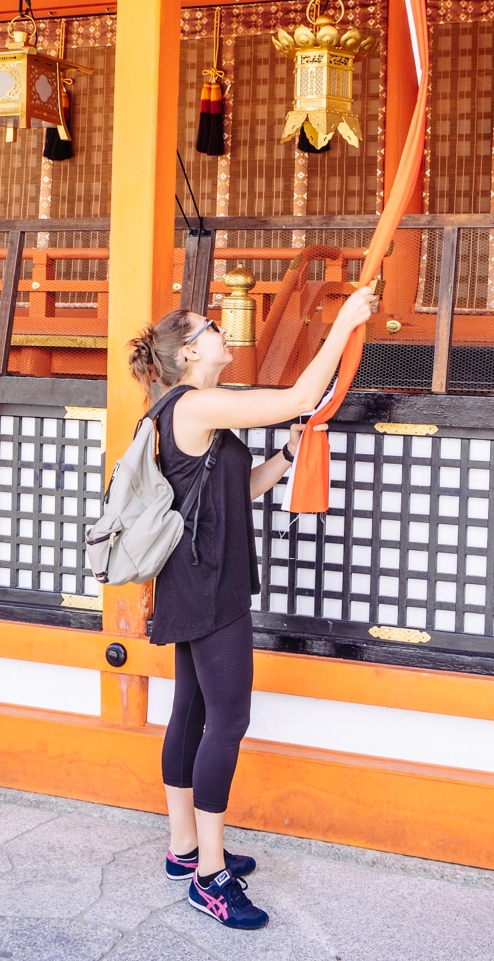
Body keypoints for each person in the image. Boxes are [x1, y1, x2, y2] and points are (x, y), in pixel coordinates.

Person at [127, 285, 375, 931]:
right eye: (209, 326)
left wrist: (287, 455)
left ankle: (184, 848)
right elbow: (299, 396)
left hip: (194, 579)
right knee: (227, 721)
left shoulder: (187, 410)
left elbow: (240, 487)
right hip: (210, 586)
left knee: (192, 711)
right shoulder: (198, 403)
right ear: (189, 352)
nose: (220, 330)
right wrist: (344, 323)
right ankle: (210, 877)